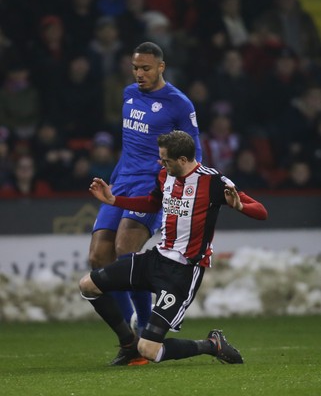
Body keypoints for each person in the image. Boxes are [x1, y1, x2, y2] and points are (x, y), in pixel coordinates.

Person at [79, 130, 268, 366]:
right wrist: (115, 201)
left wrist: (240, 206)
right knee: (88, 285)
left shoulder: (213, 181)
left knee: (150, 350)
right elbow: (152, 203)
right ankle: (128, 344)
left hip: (181, 273)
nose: (161, 163)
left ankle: (211, 345)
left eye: (165, 159)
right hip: (155, 259)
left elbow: (261, 211)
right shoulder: (164, 176)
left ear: (182, 160)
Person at [88, 42, 202, 365]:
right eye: (135, 68)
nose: (139, 74)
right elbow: (130, 146)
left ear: (161, 67)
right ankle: (129, 340)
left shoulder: (179, 104)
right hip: (121, 181)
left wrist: (183, 190)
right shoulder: (128, 95)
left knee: (125, 249)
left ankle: (144, 331)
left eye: (146, 68)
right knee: (98, 257)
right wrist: (114, 181)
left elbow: (196, 154)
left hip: (151, 187)